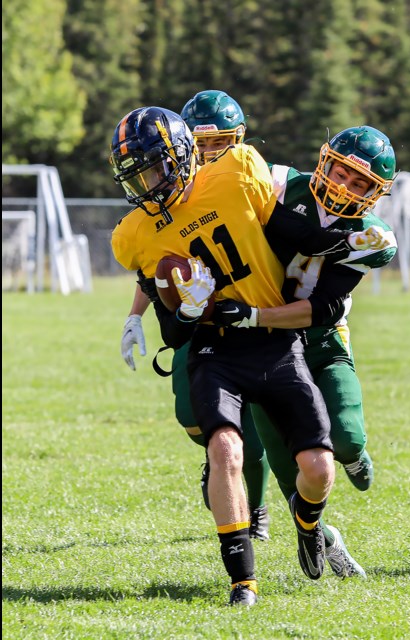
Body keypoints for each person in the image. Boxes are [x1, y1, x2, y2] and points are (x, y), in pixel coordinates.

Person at [108, 106, 392, 606]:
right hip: (224, 338)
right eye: (139, 176)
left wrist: (351, 243)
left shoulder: (244, 174)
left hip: (295, 332)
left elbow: (308, 269)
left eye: (153, 169)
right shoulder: (140, 230)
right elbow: (164, 298)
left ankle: (314, 525)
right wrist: (159, 313)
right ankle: (255, 559)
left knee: (327, 451)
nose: (146, 184)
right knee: (220, 439)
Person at [212, 125, 398, 578]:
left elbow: (322, 308)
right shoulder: (276, 182)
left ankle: (353, 460)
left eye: (359, 184)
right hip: (267, 349)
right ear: (324, 159)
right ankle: (318, 532)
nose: (343, 186)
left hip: (319, 338)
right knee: (290, 472)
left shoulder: (374, 238)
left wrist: (254, 315)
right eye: (341, 171)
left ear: (375, 195)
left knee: (347, 437)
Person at [119, 91, 271, 542]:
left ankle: (257, 508)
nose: (210, 152)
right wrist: (135, 316)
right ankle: (217, 457)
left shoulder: (246, 174)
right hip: (196, 322)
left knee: (256, 423)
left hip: (251, 316)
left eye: (220, 141)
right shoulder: (163, 189)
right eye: (201, 144)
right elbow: (158, 265)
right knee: (193, 419)